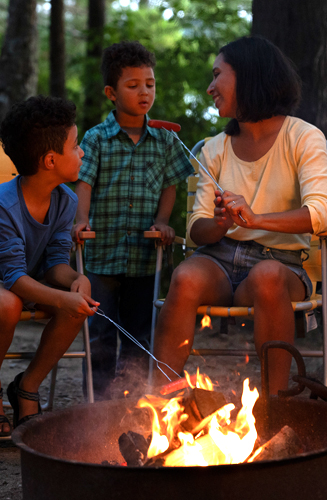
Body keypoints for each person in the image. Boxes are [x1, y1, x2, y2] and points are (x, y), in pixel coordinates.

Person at [153, 35, 327, 395]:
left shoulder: (304, 138)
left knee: (266, 276)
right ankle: (156, 402)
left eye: (218, 75)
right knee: (185, 277)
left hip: (282, 263)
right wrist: (218, 224)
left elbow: (320, 214)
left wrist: (257, 219)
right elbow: (196, 231)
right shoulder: (214, 148)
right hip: (218, 259)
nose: (209, 87)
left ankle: (274, 404)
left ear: (248, 76)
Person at [0, 95, 99, 436]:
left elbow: (55, 265)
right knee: (7, 303)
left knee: (76, 307)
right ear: (50, 160)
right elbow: (14, 280)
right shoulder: (2, 205)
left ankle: (26, 386)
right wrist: (61, 297)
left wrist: (77, 280)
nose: (82, 153)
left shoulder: (66, 200)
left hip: (23, 279)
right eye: (76, 146)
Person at [73, 41, 194, 399]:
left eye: (150, 84)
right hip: (102, 254)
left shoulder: (166, 140)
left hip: (145, 255)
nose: (144, 92)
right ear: (111, 92)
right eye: (133, 85)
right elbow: (84, 182)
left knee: (139, 333)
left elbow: (172, 185)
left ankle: (132, 402)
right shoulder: (96, 138)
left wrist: (162, 220)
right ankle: (97, 405)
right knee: (101, 332)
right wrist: (81, 220)